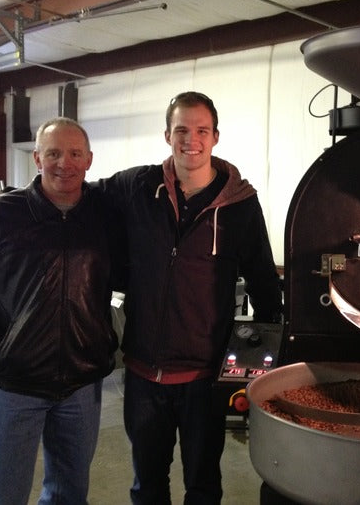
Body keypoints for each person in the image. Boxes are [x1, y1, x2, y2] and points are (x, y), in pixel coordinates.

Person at [95, 91, 283, 504]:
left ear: (215, 137)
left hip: (204, 381)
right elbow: (76, 192)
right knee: (147, 486)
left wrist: (266, 362)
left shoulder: (241, 206)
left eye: (201, 130)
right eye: (181, 130)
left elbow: (264, 284)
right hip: (143, 376)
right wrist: (9, 202)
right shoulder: (137, 187)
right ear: (167, 135)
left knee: (202, 486)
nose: (190, 140)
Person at [0, 117, 121, 505]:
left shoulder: (106, 216)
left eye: (75, 154)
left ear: (89, 160)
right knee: (0, 494)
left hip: (81, 383)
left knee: (69, 494)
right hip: (15, 385)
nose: (64, 163)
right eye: (53, 153)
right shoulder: (1, 214)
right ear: (37, 158)